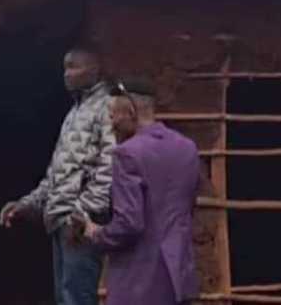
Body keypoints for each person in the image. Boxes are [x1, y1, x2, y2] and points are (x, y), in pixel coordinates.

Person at [0, 45, 115, 305]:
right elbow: (56, 173)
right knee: (65, 297)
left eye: (74, 67)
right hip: (60, 219)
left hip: (79, 223)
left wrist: (83, 214)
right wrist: (27, 204)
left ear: (95, 70)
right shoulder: (74, 113)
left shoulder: (107, 108)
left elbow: (111, 167)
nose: (67, 74)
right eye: (65, 68)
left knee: (77, 297)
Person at [78, 78, 200, 305]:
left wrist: (96, 233)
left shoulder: (127, 154)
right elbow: (188, 207)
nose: (111, 122)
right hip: (178, 275)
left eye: (113, 114)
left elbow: (129, 224)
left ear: (130, 111)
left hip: (140, 282)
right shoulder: (188, 148)